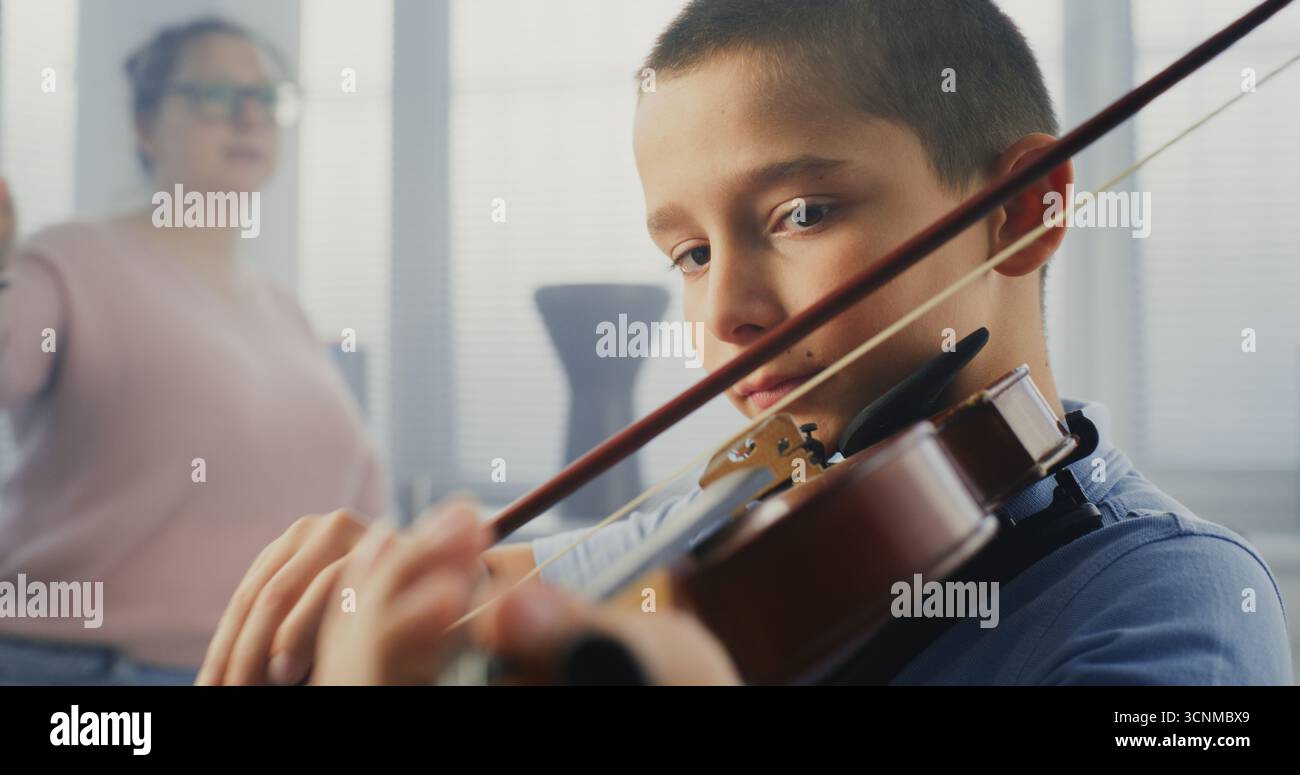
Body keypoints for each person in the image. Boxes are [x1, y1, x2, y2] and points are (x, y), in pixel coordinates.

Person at [198, 0, 1292, 685]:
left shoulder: (1167, 597)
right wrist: (389, 589)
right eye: (686, 253)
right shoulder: (744, 509)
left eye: (801, 213)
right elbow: (505, 582)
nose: (724, 315)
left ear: (1020, 209)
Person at [0, 17, 386, 684]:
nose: (247, 115)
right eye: (213, 92)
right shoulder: (66, 259)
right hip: (88, 677)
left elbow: (363, 515)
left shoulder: (285, 312)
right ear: (145, 125)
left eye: (266, 97)